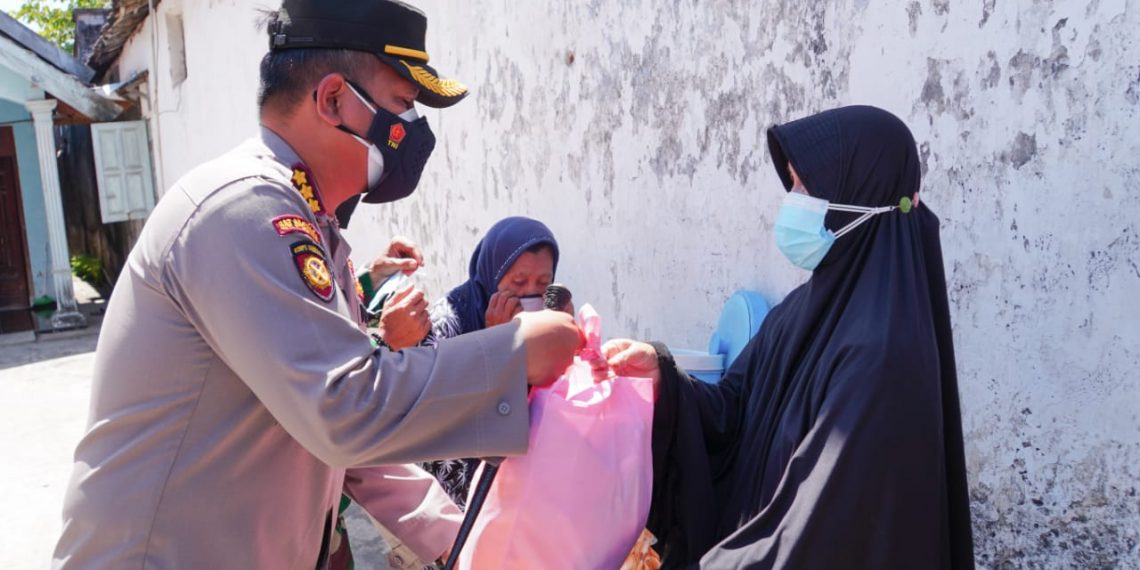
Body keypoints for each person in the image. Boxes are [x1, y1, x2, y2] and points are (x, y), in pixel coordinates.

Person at [51, 2, 581, 569]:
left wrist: (469, 545)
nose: (412, 131)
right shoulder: (243, 208)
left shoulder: (310, 225)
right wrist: (515, 352)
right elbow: (347, 409)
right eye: (403, 105)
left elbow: (355, 455)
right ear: (333, 100)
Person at [601, 106, 974, 568]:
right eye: (793, 185)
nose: (792, 201)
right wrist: (664, 379)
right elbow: (735, 410)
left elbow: (820, 533)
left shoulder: (883, 358)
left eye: (805, 187)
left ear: (856, 196)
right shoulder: (797, 314)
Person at [418, 216, 560, 508]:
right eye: (518, 282)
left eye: (543, 283)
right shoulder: (445, 326)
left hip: (522, 493)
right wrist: (496, 345)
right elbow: (448, 426)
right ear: (491, 274)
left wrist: (560, 334)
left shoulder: (547, 314)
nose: (529, 293)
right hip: (458, 502)